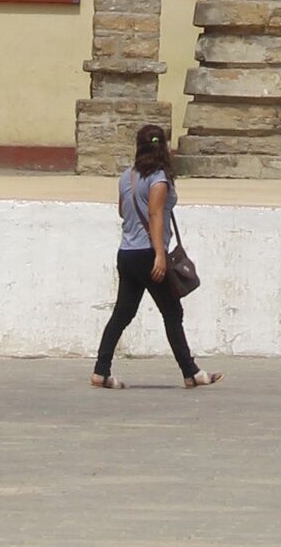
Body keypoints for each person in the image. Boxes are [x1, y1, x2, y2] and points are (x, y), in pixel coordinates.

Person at [91, 122, 219, 393]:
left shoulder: (127, 177)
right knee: (173, 312)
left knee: (122, 313)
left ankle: (101, 371)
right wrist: (160, 254)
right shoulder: (160, 178)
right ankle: (191, 373)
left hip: (126, 253)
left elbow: (122, 212)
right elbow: (155, 214)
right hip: (149, 253)